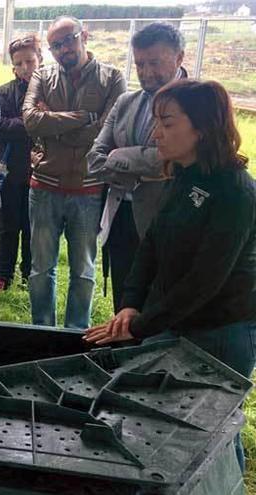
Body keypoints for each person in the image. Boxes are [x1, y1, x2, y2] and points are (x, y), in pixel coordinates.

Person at [84, 79, 256, 472]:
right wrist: (130, 304)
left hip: (221, 333)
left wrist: (142, 325)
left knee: (212, 437)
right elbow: (152, 246)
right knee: (166, 427)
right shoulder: (183, 175)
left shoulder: (235, 192)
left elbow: (205, 281)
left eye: (167, 122)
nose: (154, 132)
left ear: (202, 127)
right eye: (155, 121)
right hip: (172, 321)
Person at [22, 16, 126, 329]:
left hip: (89, 189)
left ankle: (75, 333)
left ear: (85, 36)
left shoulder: (112, 78)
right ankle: (42, 331)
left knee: (83, 270)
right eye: (56, 45)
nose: (64, 48)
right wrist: (85, 118)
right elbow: (30, 121)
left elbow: (107, 133)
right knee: (41, 269)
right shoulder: (42, 74)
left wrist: (53, 124)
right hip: (44, 187)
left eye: (70, 39)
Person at [86, 22, 186, 312]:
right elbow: (94, 160)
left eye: (154, 62)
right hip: (121, 217)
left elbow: (171, 160)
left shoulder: (196, 102)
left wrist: (120, 156)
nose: (145, 72)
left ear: (179, 58)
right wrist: (146, 164)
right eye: (140, 63)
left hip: (168, 222)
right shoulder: (125, 102)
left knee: (162, 308)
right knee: (125, 302)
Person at [0, 34, 43, 292]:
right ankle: (2, 273)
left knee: (33, 227)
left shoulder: (51, 91)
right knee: (7, 224)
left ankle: (29, 273)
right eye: (19, 63)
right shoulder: (2, 92)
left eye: (30, 61)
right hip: (7, 170)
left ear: (40, 61)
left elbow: (55, 125)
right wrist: (35, 121)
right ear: (13, 66)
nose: (25, 68)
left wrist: (21, 123)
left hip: (40, 171)